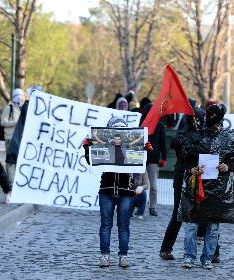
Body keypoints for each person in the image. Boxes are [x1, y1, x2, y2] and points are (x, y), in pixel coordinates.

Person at [178, 104, 234, 270]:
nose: (214, 125)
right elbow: (185, 158)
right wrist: (190, 169)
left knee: (213, 227)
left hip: (217, 189)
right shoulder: (196, 137)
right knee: (192, 225)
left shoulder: (228, 138)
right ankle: (189, 257)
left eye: (217, 121)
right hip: (195, 187)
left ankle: (207, 257)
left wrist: (228, 166)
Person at [83, 116, 152, 268]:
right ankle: (105, 255)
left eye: (120, 135)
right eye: (115, 135)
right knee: (106, 224)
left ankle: (123, 255)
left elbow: (141, 164)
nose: (117, 138)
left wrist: (146, 151)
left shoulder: (131, 148)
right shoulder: (105, 148)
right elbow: (92, 161)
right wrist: (87, 148)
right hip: (107, 189)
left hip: (126, 190)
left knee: (123, 225)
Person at [159, 106, 209, 261]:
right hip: (183, 178)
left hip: (202, 178)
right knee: (178, 214)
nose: (196, 121)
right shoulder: (182, 136)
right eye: (193, 118)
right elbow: (181, 146)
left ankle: (212, 251)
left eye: (198, 119)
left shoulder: (206, 136)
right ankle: (166, 248)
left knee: (207, 213)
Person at [6, 85, 42, 185]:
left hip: (29, 141)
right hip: (20, 140)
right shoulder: (27, 107)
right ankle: (13, 185)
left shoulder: (32, 107)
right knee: (14, 163)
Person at [140, 103, 167, 217]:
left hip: (153, 159)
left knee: (153, 185)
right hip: (141, 158)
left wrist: (164, 158)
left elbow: (163, 143)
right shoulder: (142, 125)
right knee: (139, 184)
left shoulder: (159, 126)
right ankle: (139, 205)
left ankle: (152, 207)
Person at [0, 89, 24, 154]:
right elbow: (3, 122)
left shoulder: (22, 108)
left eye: (21, 95)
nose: (20, 97)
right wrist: (15, 123)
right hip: (10, 138)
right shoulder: (8, 108)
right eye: (18, 95)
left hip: (19, 138)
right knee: (10, 161)